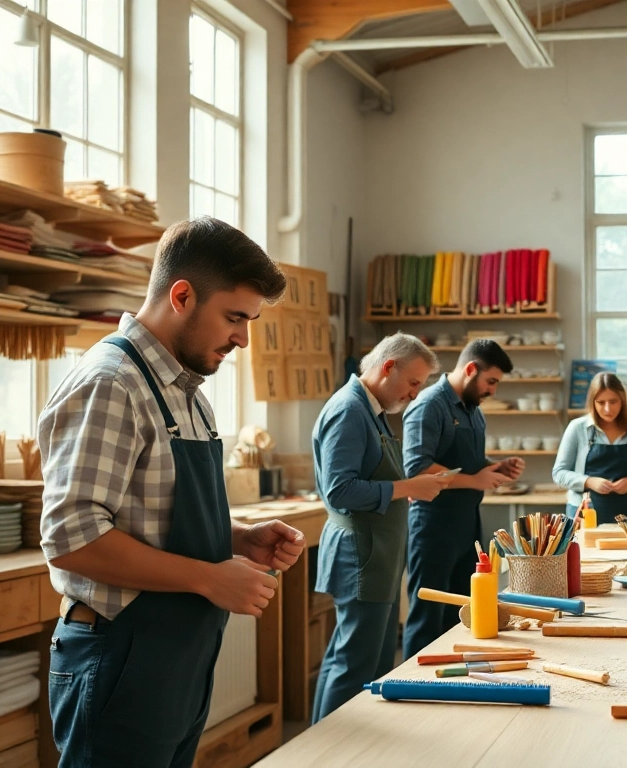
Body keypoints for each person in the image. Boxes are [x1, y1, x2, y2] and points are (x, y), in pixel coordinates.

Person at [40, 217, 306, 766]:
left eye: (250, 321)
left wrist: (237, 538)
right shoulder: (112, 383)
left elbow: (154, 515)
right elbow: (71, 538)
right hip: (118, 657)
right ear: (181, 296)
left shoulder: (188, 392)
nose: (243, 338)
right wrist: (209, 577)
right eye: (234, 317)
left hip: (177, 658)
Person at [310, 334, 452, 723]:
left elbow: (369, 480)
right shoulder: (349, 410)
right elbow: (340, 490)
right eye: (413, 382)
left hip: (377, 555)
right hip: (362, 554)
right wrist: (407, 488)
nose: (415, 394)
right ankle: (327, 748)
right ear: (388, 367)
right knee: (353, 663)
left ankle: (333, 744)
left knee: (361, 659)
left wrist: (404, 491)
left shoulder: (370, 411)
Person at [401, 339, 524, 657]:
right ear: (470, 369)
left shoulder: (473, 409)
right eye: (491, 381)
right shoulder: (429, 405)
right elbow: (417, 468)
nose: (493, 391)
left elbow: (464, 463)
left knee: (462, 615)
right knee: (428, 616)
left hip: (467, 523)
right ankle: (414, 683)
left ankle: (453, 678)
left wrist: (494, 467)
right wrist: (475, 480)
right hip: (432, 525)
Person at [553, 372, 627, 521]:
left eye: (613, 402)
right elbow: (559, 473)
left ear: (622, 400)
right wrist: (588, 482)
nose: (608, 409)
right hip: (583, 515)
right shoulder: (577, 428)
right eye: (601, 403)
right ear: (593, 402)